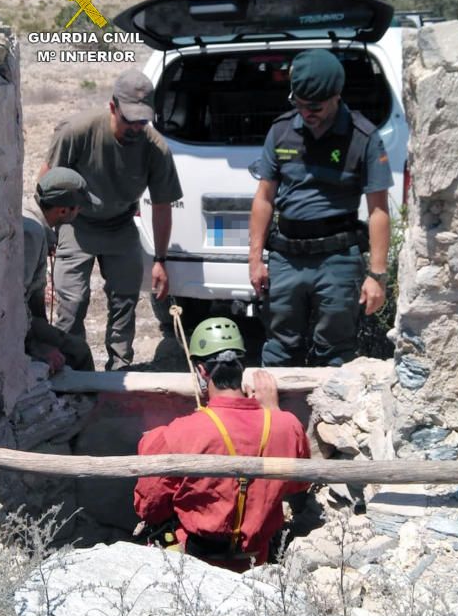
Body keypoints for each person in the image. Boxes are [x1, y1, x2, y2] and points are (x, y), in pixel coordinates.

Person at [249, 48, 393, 367]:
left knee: (337, 351)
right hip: (287, 257)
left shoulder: (363, 137)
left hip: (337, 259)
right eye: (299, 103)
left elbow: (379, 210)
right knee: (279, 347)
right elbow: (264, 197)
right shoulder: (282, 130)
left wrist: (377, 276)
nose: (306, 112)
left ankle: (333, 417)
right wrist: (255, 258)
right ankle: (277, 416)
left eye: (314, 106)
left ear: (336, 96)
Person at [134, 317, 310, 572]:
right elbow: (298, 484)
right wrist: (273, 411)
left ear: (202, 371)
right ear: (242, 367)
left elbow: (148, 508)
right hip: (257, 562)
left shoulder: (178, 434)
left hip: (195, 563)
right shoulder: (286, 425)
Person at [38, 68, 183, 370]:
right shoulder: (78, 130)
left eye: (142, 121)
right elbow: (47, 181)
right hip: (76, 224)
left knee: (124, 302)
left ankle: (119, 369)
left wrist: (160, 259)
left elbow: (161, 205)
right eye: (129, 120)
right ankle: (74, 369)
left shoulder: (155, 148)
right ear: (113, 107)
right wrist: (46, 233)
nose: (135, 128)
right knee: (72, 303)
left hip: (120, 226)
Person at [23, 167, 100, 373]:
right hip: (17, 326)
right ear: (63, 211)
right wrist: (36, 346)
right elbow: (12, 301)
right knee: (78, 352)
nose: (80, 211)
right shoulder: (32, 233)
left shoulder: (33, 219)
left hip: (27, 320)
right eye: (79, 207)